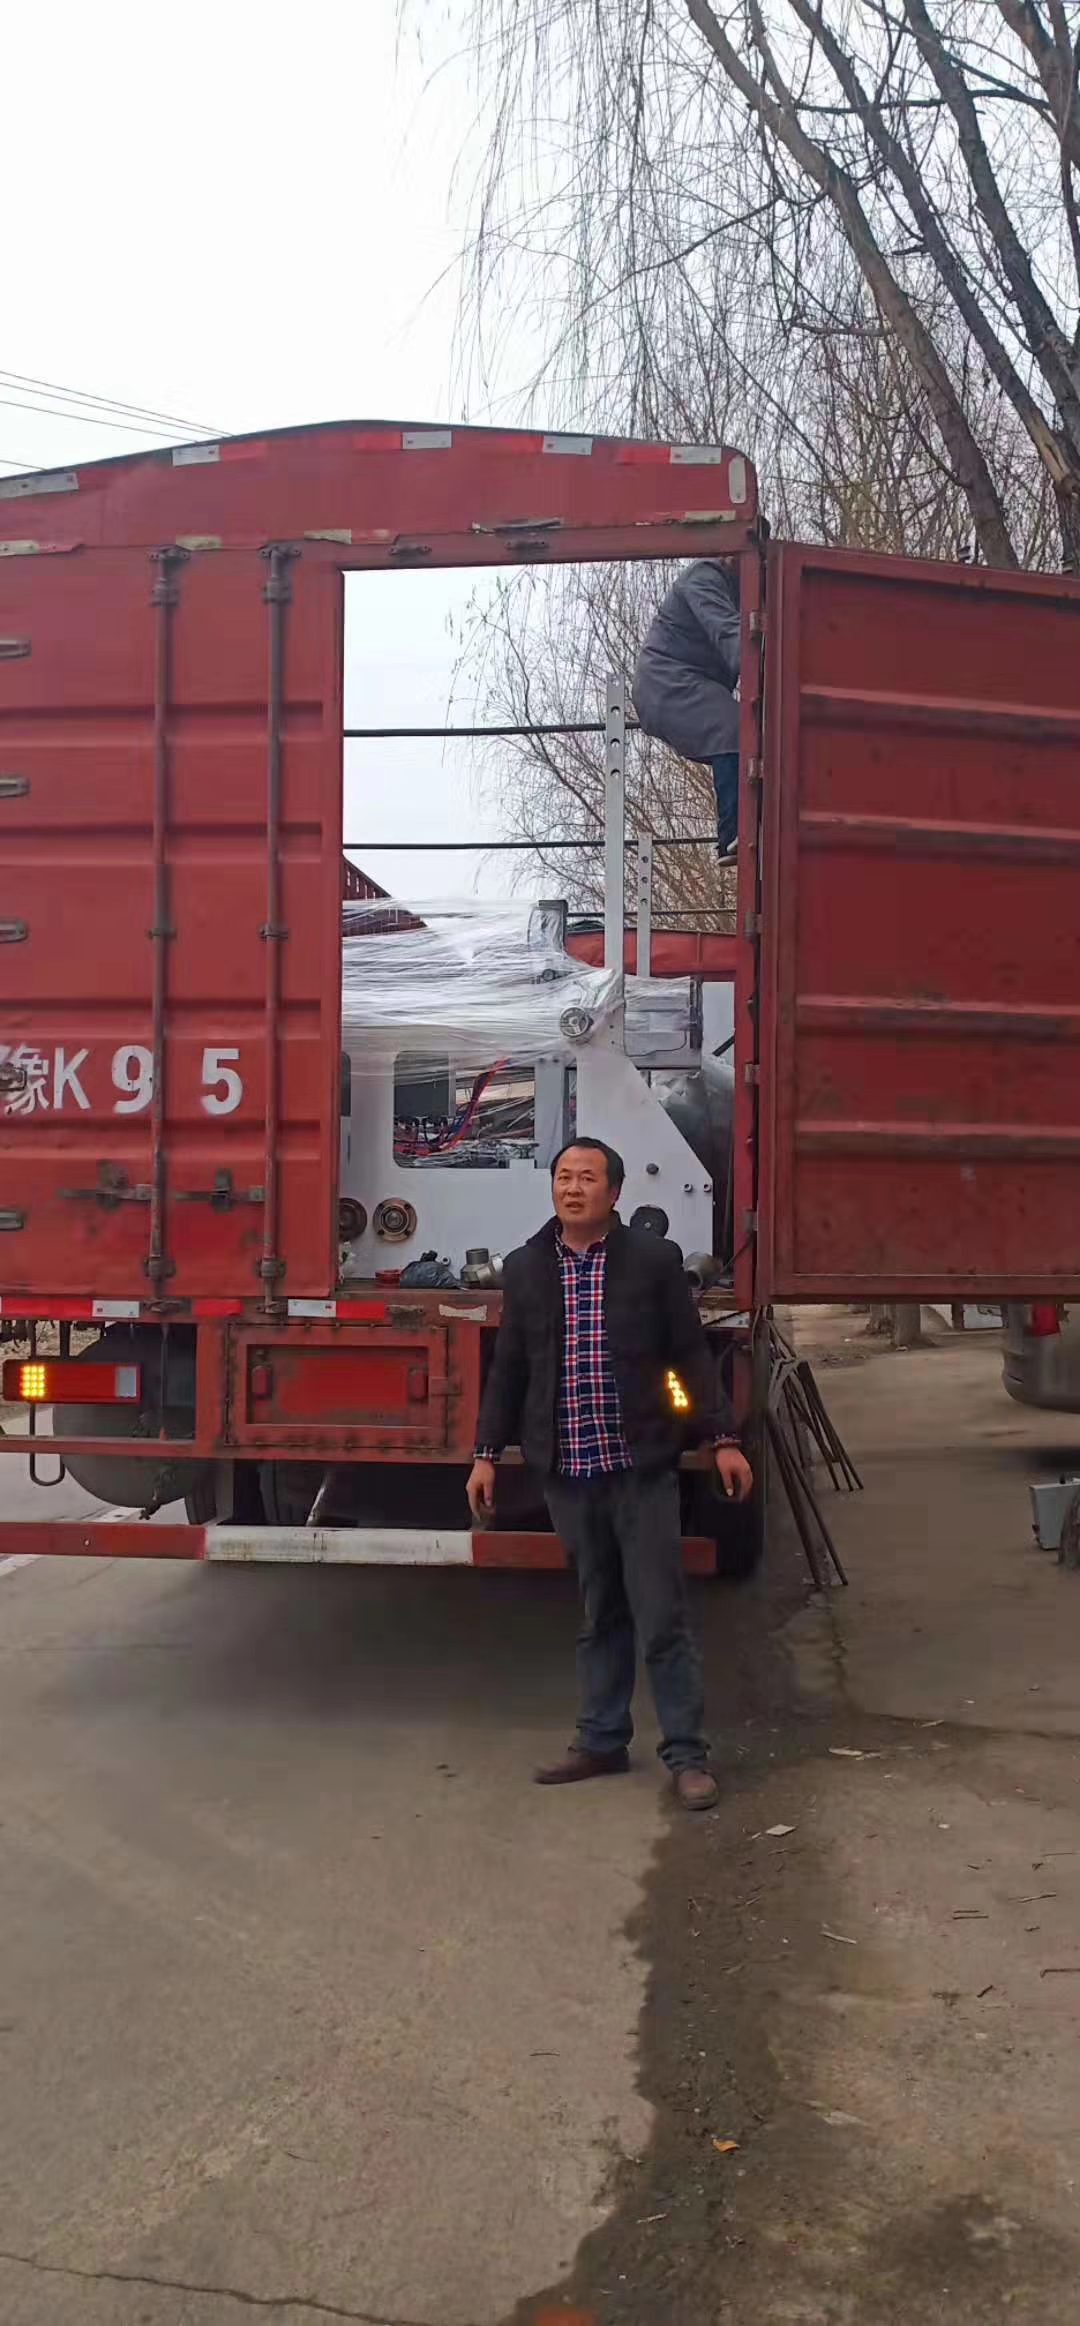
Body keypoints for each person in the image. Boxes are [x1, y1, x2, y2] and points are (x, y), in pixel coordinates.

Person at [466, 1138, 753, 1810]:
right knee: (600, 1610)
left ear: (615, 1192)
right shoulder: (527, 1267)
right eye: (564, 1177)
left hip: (638, 1466)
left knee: (661, 1614)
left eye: (587, 1178)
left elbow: (687, 1356)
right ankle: (601, 1739)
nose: (573, 1188)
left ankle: (687, 1755)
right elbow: (510, 1368)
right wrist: (486, 1452)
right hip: (568, 1471)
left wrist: (722, 1437)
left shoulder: (652, 1261)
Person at [632, 557, 741, 858]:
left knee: (746, 734)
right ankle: (734, 832)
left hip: (686, 681)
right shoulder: (704, 576)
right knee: (732, 727)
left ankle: (743, 827)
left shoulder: (736, 588)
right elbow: (730, 634)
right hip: (666, 681)